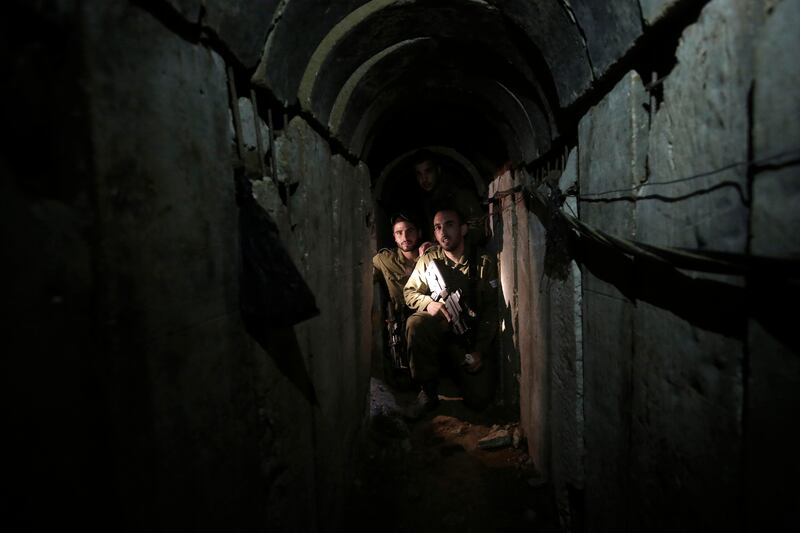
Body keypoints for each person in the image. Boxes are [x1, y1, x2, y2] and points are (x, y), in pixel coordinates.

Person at [403, 207, 499, 418]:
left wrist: (480, 351)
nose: (443, 232)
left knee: (480, 399)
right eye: (438, 227)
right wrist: (429, 303)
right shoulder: (429, 259)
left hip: (467, 339)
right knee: (416, 324)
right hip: (440, 332)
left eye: (449, 224)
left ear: (463, 229)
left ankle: (455, 372)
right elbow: (409, 292)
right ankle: (427, 391)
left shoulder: (483, 261)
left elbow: (492, 312)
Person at [372, 213, 432, 388]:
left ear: (419, 233)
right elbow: (364, 274)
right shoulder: (385, 259)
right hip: (401, 318)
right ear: (394, 236)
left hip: (428, 316)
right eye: (399, 233)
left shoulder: (430, 255)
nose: (405, 237)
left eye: (409, 231)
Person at [411, 149, 485, 245]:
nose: (424, 179)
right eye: (419, 174)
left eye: (428, 171)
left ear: (438, 170)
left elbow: (479, 230)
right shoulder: (427, 200)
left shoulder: (459, 194)